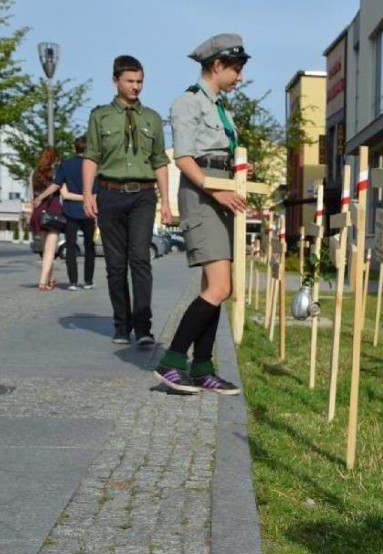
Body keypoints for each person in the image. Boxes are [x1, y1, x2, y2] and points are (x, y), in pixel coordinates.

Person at [153, 33, 252, 395]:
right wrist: (217, 190)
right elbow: (183, 158)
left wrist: (237, 173)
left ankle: (203, 368)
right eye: (236, 69)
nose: (239, 77)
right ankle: (172, 361)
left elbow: (216, 155)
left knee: (216, 288)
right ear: (217, 65)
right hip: (205, 196)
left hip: (221, 193)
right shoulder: (188, 102)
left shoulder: (220, 108)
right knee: (220, 287)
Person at [82, 55, 172, 345]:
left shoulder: (153, 119)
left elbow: (160, 161)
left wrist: (167, 202)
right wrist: (87, 194)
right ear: (115, 81)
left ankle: (143, 327)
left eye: (140, 81)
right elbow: (92, 157)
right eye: (130, 81)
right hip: (109, 194)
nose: (136, 87)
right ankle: (122, 325)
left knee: (140, 259)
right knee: (116, 264)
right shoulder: (100, 117)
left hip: (144, 196)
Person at [45, 135, 97, 291]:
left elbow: (57, 184)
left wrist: (41, 196)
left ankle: (73, 282)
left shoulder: (66, 165)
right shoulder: (94, 166)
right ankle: (88, 281)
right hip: (89, 211)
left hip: (70, 211)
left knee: (70, 246)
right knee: (89, 247)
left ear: (75, 148)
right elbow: (96, 192)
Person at [29, 146, 62, 291]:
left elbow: (31, 196)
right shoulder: (57, 173)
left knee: (45, 249)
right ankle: (43, 281)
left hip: (38, 212)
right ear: (55, 158)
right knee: (50, 251)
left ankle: (50, 278)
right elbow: (60, 192)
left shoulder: (33, 174)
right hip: (53, 210)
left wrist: (32, 213)